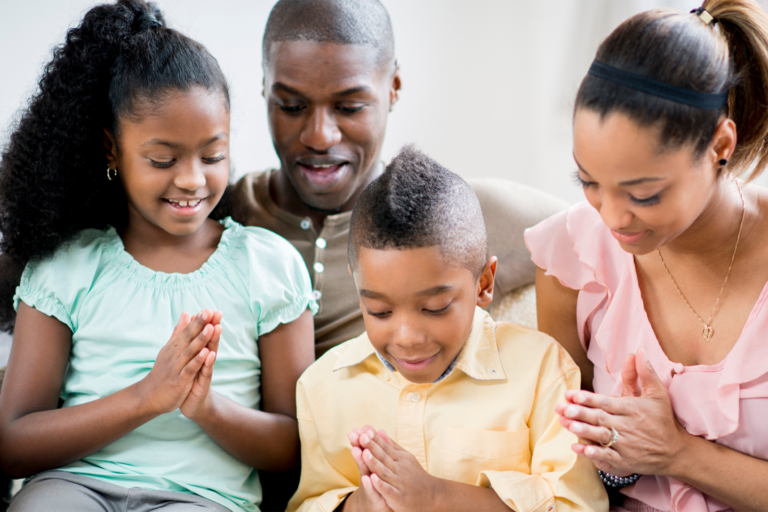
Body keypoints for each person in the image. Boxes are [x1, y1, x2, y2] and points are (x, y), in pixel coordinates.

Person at [0, 1, 316, 511]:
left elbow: (295, 447)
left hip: (201, 500)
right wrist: (149, 396)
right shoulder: (66, 267)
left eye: (213, 155)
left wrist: (205, 406)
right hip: (76, 488)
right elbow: (13, 444)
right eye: (163, 159)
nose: (192, 179)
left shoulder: (268, 268)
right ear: (112, 150)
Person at [526, 1, 768, 511]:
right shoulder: (571, 259)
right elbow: (557, 464)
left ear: (720, 144)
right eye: (588, 182)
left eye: (644, 194)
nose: (612, 218)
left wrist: (677, 454)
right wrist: (615, 455)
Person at [228, 0, 567, 356]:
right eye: (292, 107)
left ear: (393, 86)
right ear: (265, 88)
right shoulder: (222, 213)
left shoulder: (453, 216)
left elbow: (606, 233)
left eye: (349, 108)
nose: (319, 136)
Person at [287, 145, 608, 512]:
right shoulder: (322, 386)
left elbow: (577, 506)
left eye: (435, 308)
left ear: (484, 283)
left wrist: (436, 498)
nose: (407, 336)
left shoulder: (541, 371)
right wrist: (359, 505)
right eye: (379, 310)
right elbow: (308, 501)